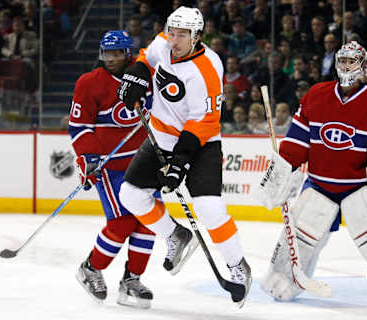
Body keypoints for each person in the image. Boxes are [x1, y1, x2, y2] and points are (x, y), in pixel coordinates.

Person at [258, 41, 367, 310]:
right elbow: (297, 141)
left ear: (365, 67)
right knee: (302, 233)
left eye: (352, 62)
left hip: (359, 188)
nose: (345, 66)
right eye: (342, 61)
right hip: (319, 184)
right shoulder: (316, 94)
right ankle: (284, 278)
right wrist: (284, 168)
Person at [116, 6, 252, 307]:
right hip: (161, 136)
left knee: (208, 208)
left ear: (197, 36)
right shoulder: (164, 43)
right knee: (130, 194)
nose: (174, 40)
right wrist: (137, 76)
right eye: (173, 32)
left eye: (183, 35)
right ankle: (175, 235)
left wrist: (180, 163)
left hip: (201, 143)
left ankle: (237, 264)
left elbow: (203, 122)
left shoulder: (207, 69)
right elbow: (146, 59)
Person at [69, 30, 157, 309]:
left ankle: (132, 280)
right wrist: (88, 157)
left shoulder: (146, 79)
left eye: (117, 53)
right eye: (107, 53)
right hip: (110, 166)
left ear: (128, 54)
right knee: (122, 222)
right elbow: (79, 125)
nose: (110, 59)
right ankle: (91, 268)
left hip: (144, 163)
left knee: (149, 221)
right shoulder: (89, 82)